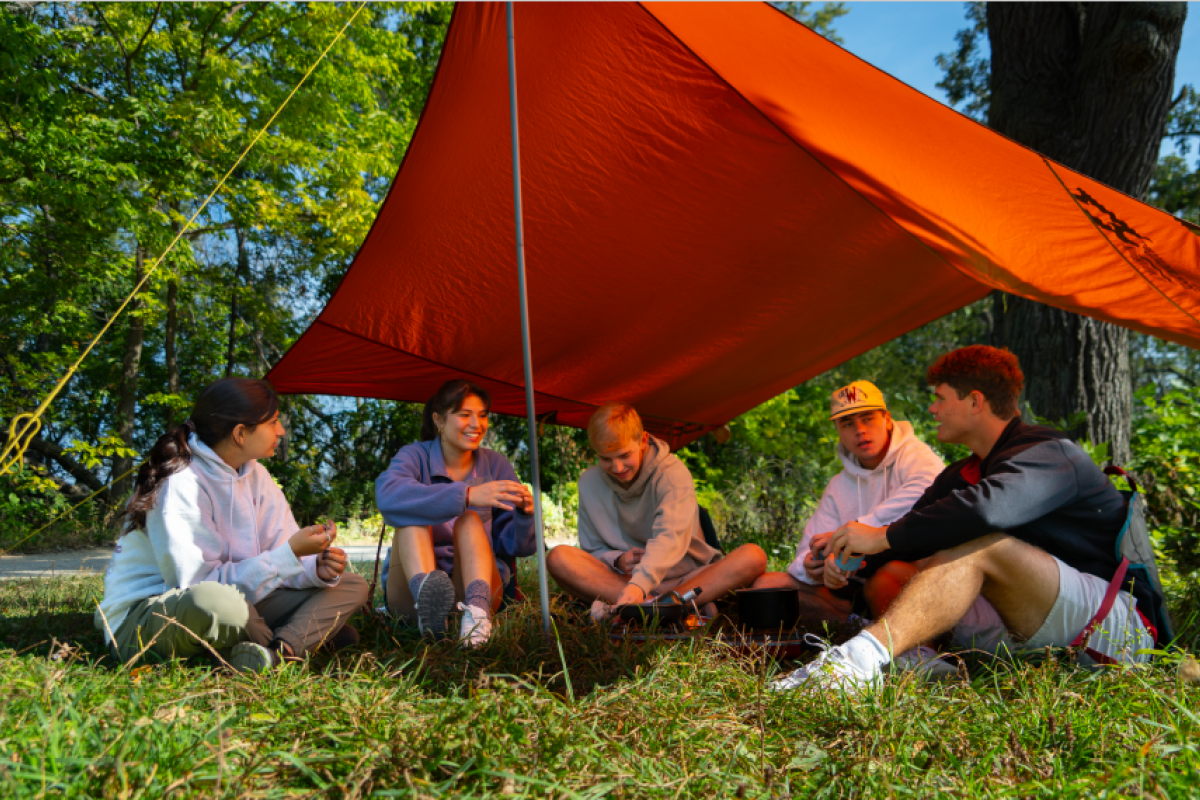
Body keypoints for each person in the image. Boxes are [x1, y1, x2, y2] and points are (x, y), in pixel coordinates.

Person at [772, 346, 1168, 694]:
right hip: (1033, 623)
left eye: (940, 398)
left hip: (1115, 627)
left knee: (981, 545)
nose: (932, 409)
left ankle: (855, 663)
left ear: (975, 401)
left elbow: (987, 509)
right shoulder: (961, 473)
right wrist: (851, 562)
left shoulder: (1049, 451)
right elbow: (914, 534)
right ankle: (926, 666)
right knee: (891, 574)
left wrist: (880, 535)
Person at [97, 378, 368, 673]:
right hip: (153, 614)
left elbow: (281, 552)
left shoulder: (257, 475)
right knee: (220, 604)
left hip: (241, 601)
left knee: (352, 585)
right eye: (274, 421)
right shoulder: (180, 483)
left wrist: (315, 566)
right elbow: (197, 584)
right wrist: (290, 554)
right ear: (240, 433)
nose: (281, 430)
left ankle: (280, 652)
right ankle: (302, 637)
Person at [547, 402, 766, 617]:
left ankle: (644, 607)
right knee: (558, 557)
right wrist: (618, 559)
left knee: (754, 556)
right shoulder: (588, 483)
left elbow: (669, 538)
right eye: (606, 458)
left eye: (624, 455)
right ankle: (673, 607)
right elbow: (592, 549)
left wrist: (640, 586)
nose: (617, 467)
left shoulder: (672, 473)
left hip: (688, 577)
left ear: (642, 441)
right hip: (623, 581)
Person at [752, 381, 944, 622]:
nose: (860, 430)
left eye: (867, 418)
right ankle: (856, 626)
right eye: (847, 423)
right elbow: (805, 554)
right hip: (852, 588)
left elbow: (924, 494)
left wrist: (847, 534)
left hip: (908, 580)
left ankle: (894, 638)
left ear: (886, 419)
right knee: (767, 585)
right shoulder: (838, 485)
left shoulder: (917, 456)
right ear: (838, 431)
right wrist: (815, 567)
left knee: (887, 575)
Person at [375, 379, 536, 647]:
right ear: (438, 420)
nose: (477, 424)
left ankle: (476, 617)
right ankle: (429, 608)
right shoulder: (414, 456)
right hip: (411, 592)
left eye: (482, 415)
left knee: (470, 520)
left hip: (475, 586)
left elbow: (520, 547)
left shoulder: (495, 464)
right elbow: (387, 495)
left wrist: (525, 516)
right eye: (464, 415)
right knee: (412, 518)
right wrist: (468, 495)